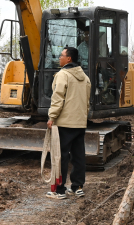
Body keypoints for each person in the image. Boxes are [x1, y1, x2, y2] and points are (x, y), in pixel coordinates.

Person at [46, 46, 91, 200]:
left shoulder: (62, 75)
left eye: (62, 55)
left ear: (69, 58)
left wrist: (52, 117)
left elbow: (58, 98)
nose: (59, 57)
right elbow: (87, 103)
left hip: (65, 123)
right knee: (78, 156)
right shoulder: (85, 77)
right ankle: (77, 187)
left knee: (61, 156)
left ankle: (59, 190)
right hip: (80, 123)